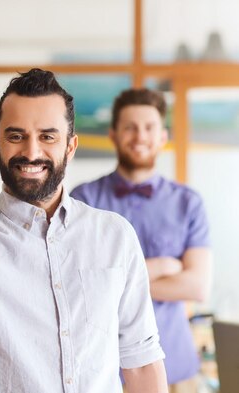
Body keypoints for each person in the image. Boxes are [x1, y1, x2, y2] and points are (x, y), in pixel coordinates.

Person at [0, 68, 169, 393]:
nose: (31, 152)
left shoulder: (115, 235)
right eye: (16, 136)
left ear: (70, 146)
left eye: (47, 136)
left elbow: (140, 361)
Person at [71, 88, 212, 393]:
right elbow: (79, 286)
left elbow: (197, 286)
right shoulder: (83, 200)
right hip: (102, 372)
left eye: (149, 127)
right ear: (113, 134)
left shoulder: (189, 203)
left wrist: (114, 283)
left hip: (176, 368)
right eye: (130, 127)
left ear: (163, 136)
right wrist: (162, 266)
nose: (140, 136)